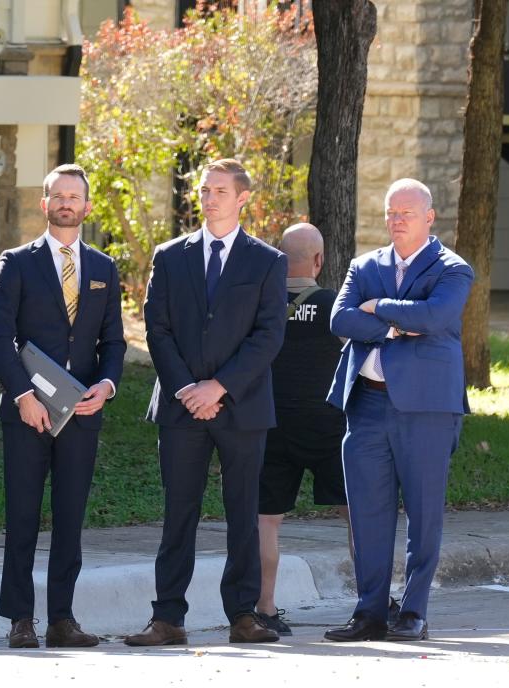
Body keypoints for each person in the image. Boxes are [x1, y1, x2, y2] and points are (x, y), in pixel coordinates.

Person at [125, 158, 288, 646]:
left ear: (242, 198)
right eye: (204, 189)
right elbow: (157, 329)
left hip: (242, 405)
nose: (208, 197)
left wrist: (219, 387)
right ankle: (167, 618)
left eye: (219, 190)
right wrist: (188, 390)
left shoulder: (267, 260)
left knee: (243, 511)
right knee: (180, 512)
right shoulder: (170, 256)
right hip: (180, 406)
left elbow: (268, 335)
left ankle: (243, 614)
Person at [0, 163, 125, 649]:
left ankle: (62, 618)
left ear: (86, 206)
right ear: (44, 205)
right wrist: (22, 396)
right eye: (57, 196)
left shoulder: (104, 268)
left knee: (70, 518)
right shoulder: (17, 262)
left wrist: (105, 386)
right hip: (26, 413)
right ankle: (21, 618)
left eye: (74, 197)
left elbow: (115, 343)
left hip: (81, 415)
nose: (66, 203)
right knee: (22, 515)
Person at [323, 178, 473, 643]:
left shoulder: (453, 269)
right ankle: (369, 611)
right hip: (366, 402)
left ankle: (413, 612)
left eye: (407, 213)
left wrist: (380, 307)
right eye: (391, 212)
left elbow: (433, 318)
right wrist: (392, 327)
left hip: (427, 407)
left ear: (429, 217)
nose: (397, 220)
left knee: (424, 513)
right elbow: (339, 319)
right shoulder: (364, 265)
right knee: (367, 513)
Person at [255, 223, 349, 637]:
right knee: (357, 516)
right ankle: (373, 604)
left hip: (272, 423)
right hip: (328, 425)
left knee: (266, 520)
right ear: (319, 260)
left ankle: (264, 607)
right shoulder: (335, 304)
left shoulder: (264, 304)